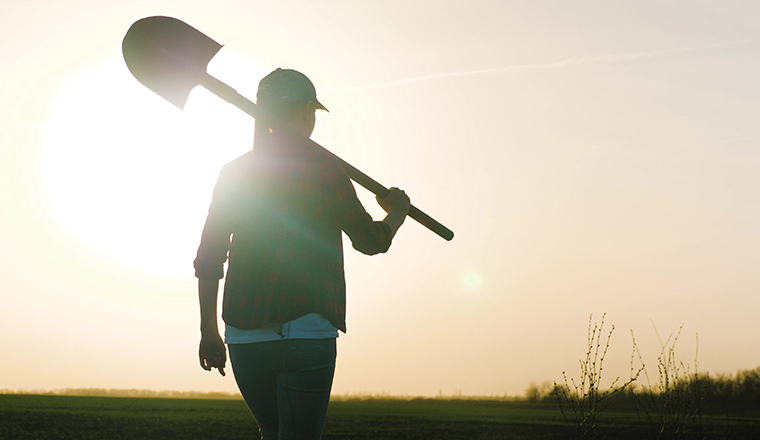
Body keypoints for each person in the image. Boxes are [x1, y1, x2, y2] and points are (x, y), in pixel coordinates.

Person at [194, 68, 410, 440]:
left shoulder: (234, 173)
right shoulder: (325, 169)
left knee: (273, 434)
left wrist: (208, 330)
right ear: (307, 112)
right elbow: (369, 241)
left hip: (244, 337)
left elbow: (209, 258)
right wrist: (396, 215)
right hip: (306, 333)